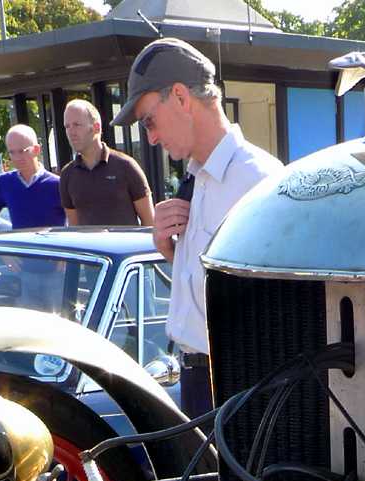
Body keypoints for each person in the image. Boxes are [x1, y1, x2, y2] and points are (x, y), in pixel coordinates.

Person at [111, 37, 283, 417]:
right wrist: (172, 253)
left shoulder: (258, 181)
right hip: (201, 377)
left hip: (238, 380)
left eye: (149, 121)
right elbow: (215, 292)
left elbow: (275, 310)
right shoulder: (198, 178)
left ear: (180, 97)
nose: (151, 137)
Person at [60, 98, 154, 227]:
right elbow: (74, 228)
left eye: (77, 125)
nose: (71, 132)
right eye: (67, 126)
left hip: (126, 246)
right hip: (88, 247)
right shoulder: (67, 175)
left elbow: (149, 222)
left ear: (96, 127)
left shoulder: (126, 166)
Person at [0, 125, 65, 230]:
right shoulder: (5, 182)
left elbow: (74, 217)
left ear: (36, 150)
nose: (17, 158)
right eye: (12, 152)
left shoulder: (56, 184)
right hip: (21, 246)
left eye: (21, 151)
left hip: (51, 245)